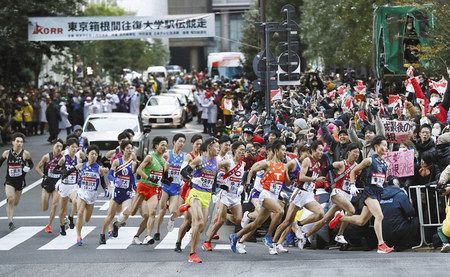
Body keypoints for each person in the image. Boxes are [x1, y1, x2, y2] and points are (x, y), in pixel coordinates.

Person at [329, 135, 394, 254]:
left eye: (386, 146)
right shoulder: (369, 160)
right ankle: (381, 245)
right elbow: (354, 171)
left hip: (378, 193)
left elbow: (384, 180)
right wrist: (353, 185)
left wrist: (392, 181)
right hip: (369, 192)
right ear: (376, 146)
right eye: (383, 145)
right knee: (379, 216)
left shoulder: (385, 164)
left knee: (361, 221)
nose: (385, 148)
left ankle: (340, 218)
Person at [229, 140, 290, 255]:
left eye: (285, 150)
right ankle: (268, 236)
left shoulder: (283, 166)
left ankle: (235, 236)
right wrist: (248, 183)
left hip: (274, 195)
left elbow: (287, 183)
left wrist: (286, 172)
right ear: (276, 151)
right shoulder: (267, 164)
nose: (284, 152)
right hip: (265, 194)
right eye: (282, 150)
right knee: (280, 211)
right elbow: (252, 169)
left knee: (257, 223)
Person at [179, 137, 229, 263]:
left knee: (201, 226)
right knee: (199, 221)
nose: (218, 149)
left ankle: (187, 207)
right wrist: (191, 177)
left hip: (206, 196)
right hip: (195, 193)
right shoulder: (200, 159)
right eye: (216, 147)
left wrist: (221, 186)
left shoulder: (216, 163)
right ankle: (192, 254)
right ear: (209, 147)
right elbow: (184, 172)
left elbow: (213, 181)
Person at [112, 136, 169, 245]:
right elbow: (139, 170)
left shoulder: (165, 162)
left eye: (166, 145)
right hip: (143, 187)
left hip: (154, 189)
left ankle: (145, 236)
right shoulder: (150, 157)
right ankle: (117, 224)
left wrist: (167, 180)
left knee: (151, 213)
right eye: (162, 145)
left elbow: (163, 177)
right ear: (156, 146)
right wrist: (148, 178)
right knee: (132, 212)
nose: (164, 147)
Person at [273, 140, 325, 252]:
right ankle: (274, 243)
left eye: (322, 150)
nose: (321, 152)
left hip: (309, 194)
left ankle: (299, 224)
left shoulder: (318, 163)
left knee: (320, 213)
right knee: (287, 221)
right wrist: (315, 179)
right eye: (320, 150)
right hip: (299, 193)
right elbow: (301, 177)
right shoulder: (307, 160)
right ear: (313, 150)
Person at [202, 141, 246, 252]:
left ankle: (234, 238)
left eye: (244, 151)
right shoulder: (228, 162)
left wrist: (242, 186)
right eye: (240, 150)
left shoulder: (243, 164)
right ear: (235, 150)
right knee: (220, 221)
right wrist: (218, 181)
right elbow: (215, 167)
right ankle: (207, 241)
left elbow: (241, 178)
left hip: (235, 196)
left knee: (239, 219)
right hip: (225, 195)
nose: (242, 152)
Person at [100, 140, 137, 244]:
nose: (130, 151)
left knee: (127, 212)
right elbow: (110, 175)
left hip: (127, 192)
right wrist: (115, 180)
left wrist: (134, 187)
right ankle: (102, 234)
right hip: (117, 192)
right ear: (123, 150)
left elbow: (132, 177)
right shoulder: (117, 161)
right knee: (110, 215)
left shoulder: (132, 163)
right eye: (128, 148)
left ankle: (116, 224)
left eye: (131, 149)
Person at [74, 145, 108, 245]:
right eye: (92, 154)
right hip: (82, 192)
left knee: (87, 218)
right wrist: (62, 176)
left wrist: (105, 189)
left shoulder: (99, 168)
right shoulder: (81, 165)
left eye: (95, 154)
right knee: (80, 213)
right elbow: (70, 171)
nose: (93, 156)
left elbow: (102, 181)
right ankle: (78, 236)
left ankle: (84, 210)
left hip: (92, 194)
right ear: (87, 155)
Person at [155, 134, 186, 240]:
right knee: (162, 210)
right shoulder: (166, 154)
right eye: (179, 141)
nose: (181, 144)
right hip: (166, 185)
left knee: (174, 211)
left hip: (176, 187)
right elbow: (159, 167)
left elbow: (186, 170)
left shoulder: (184, 156)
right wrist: (165, 168)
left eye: (183, 142)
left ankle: (172, 219)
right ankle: (157, 232)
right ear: (174, 142)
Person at [0, 133, 33, 230]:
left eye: (21, 142)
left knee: (15, 202)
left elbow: (31, 164)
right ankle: (10, 222)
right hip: (9, 180)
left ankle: (10, 203)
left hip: (20, 181)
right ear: (13, 142)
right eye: (17, 141)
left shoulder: (26, 153)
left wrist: (28, 168)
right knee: (11, 199)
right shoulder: (6, 153)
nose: (19, 143)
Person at [380, 177, 419, 250]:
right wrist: (410, 204)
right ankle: (406, 243)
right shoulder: (400, 194)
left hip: (383, 232)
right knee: (415, 220)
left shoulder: (380, 195)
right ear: (398, 185)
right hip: (399, 232)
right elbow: (410, 212)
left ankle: (390, 243)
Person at [35, 139, 64, 233]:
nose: (59, 148)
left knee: (55, 204)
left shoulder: (63, 157)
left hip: (57, 183)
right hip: (47, 183)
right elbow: (37, 168)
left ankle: (49, 225)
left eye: (60, 147)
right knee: (44, 206)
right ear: (53, 147)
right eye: (57, 146)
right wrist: (44, 176)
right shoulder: (47, 157)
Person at [57, 138, 81, 235]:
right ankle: (62, 226)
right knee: (62, 210)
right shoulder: (63, 159)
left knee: (75, 201)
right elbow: (57, 171)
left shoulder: (78, 159)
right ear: (68, 147)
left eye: (76, 147)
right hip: (64, 186)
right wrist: (68, 171)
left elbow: (80, 171)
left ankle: (71, 217)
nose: (74, 149)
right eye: (72, 147)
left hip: (73, 186)